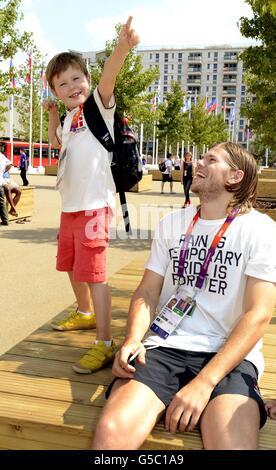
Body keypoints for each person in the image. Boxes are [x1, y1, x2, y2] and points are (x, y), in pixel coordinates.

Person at [92, 142, 276, 450]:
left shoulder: (261, 231)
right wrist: (133, 338)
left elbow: (258, 315)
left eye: (211, 159)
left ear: (235, 176)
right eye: (200, 158)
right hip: (164, 346)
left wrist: (205, 383)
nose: (198, 164)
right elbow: (147, 291)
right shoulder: (172, 224)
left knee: (232, 444)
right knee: (111, 432)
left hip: (229, 355)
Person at [44, 17, 139, 375]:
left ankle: (104, 341)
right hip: (69, 208)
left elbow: (109, 77)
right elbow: (57, 143)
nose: (71, 86)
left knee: (95, 274)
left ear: (87, 80)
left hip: (95, 207)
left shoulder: (97, 108)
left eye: (76, 79)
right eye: (62, 83)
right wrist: (54, 117)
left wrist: (122, 48)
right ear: (55, 91)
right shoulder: (69, 120)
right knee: (70, 265)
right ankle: (84, 314)